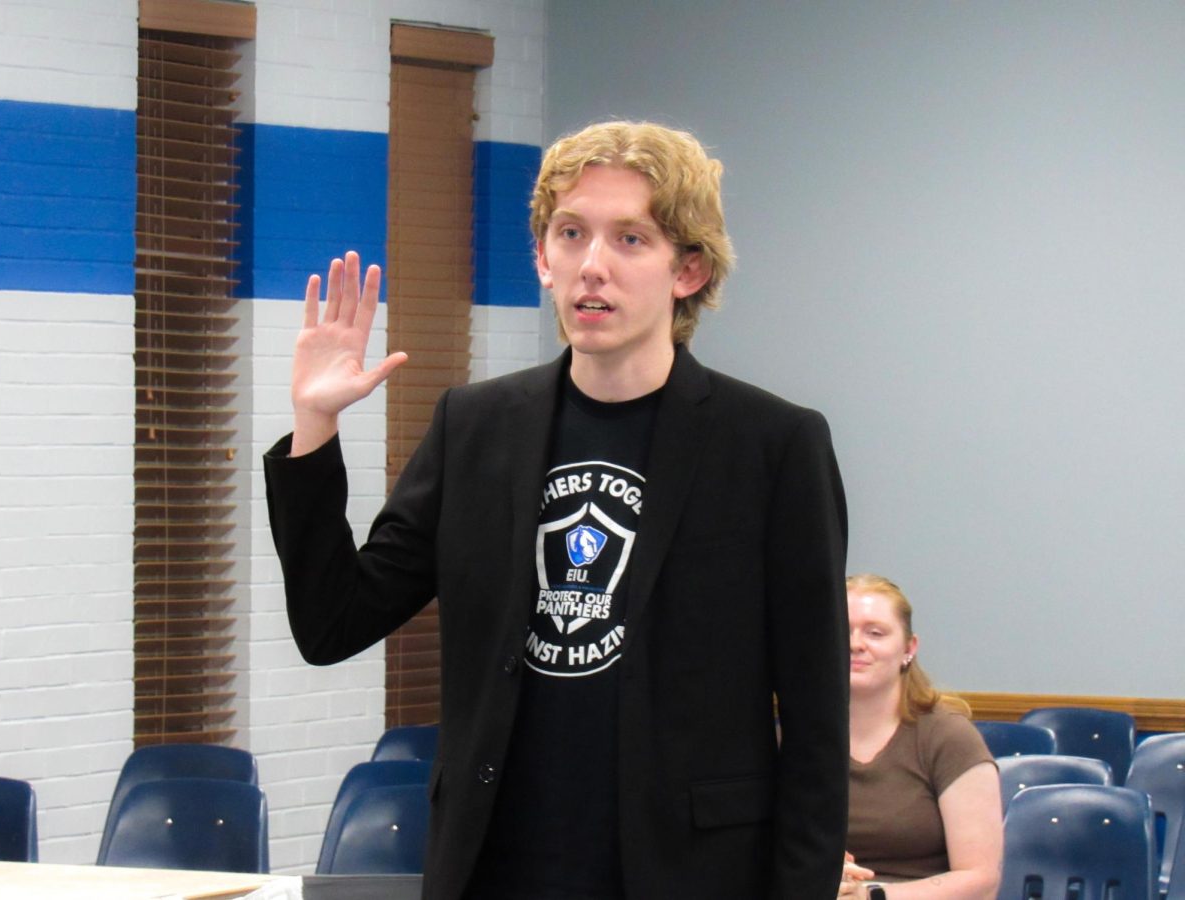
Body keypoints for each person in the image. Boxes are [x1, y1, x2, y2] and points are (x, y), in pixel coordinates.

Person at [264, 120, 850, 899]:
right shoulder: (475, 426)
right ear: (543, 259)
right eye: (570, 234)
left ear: (689, 269)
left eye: (631, 240)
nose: (592, 266)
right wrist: (316, 426)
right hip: (499, 865)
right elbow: (331, 623)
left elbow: (815, 723)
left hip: (687, 873)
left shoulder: (773, 446)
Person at [840, 574, 1002, 899]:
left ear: (908, 648)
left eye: (875, 633)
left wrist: (870, 895)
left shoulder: (948, 738)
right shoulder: (794, 739)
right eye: (841, 631)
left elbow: (982, 879)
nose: (855, 643)